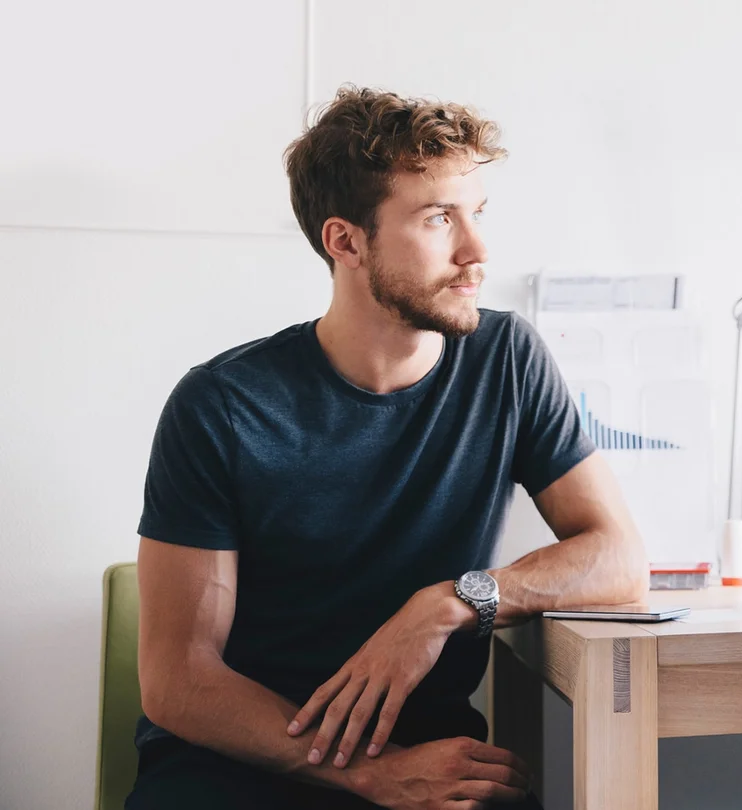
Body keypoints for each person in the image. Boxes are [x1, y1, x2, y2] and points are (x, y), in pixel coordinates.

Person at [128, 86, 649, 810]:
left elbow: (619, 559)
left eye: (478, 214)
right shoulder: (222, 404)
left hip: (434, 758)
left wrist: (449, 603)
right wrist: (367, 775)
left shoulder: (506, 357)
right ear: (346, 241)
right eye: (439, 218)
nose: (477, 252)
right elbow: (178, 681)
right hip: (241, 767)